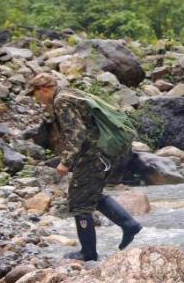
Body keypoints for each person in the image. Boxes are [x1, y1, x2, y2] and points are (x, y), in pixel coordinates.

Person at [28, 73, 142, 261]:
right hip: (101, 153)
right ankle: (129, 225)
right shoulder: (70, 93)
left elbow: (77, 133)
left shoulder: (62, 101)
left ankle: (88, 253)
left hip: (92, 156)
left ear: (44, 89)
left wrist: (66, 162)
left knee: (79, 202)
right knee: (91, 194)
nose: (36, 98)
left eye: (35, 93)